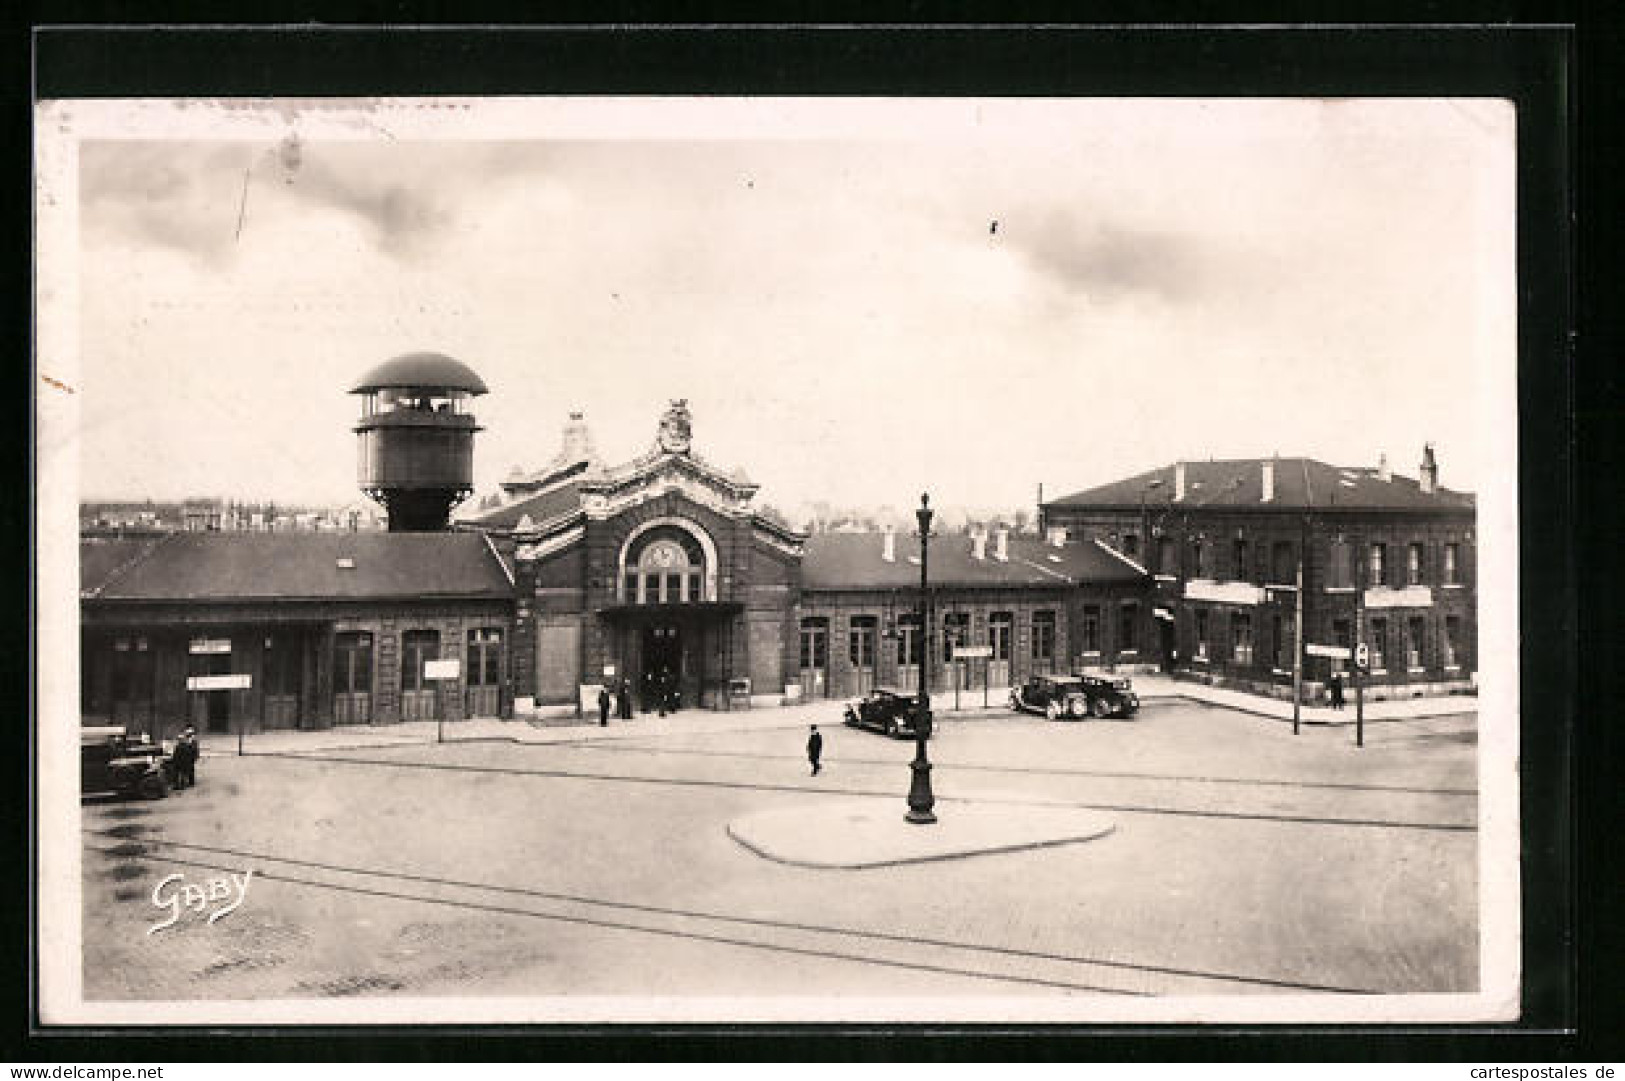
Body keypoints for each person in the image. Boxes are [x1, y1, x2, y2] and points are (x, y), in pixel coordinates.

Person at [172, 725, 198, 790]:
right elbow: (193, 751)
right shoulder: (188, 745)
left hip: (182, 762)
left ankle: (179, 784)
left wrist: (174, 760)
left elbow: (176, 755)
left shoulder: (180, 746)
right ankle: (189, 782)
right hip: (187, 760)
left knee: (179, 771)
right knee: (188, 770)